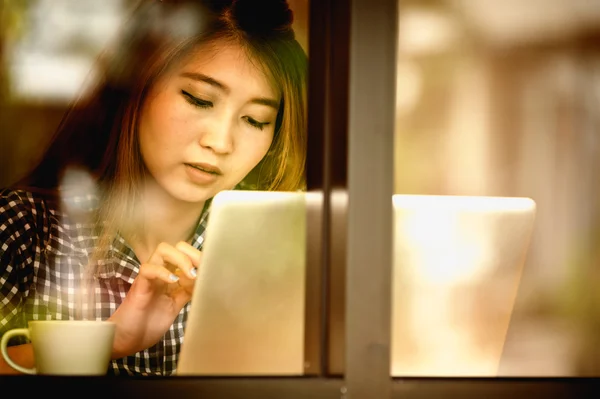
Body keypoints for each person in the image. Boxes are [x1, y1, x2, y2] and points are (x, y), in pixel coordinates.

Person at [0, 0, 307, 376]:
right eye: (199, 99)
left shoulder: (278, 256)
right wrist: (110, 340)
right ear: (138, 87)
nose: (220, 142)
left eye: (256, 120)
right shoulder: (26, 231)